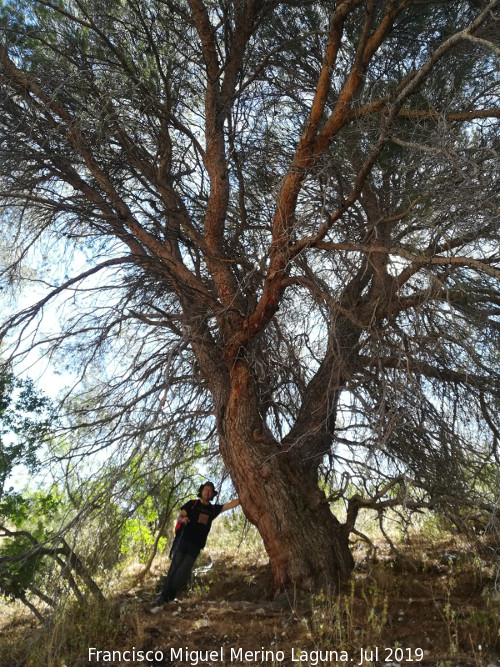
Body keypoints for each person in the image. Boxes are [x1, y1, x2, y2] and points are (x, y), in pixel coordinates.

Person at [155, 481, 240, 605]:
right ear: (201, 491)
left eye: (210, 490)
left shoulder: (212, 509)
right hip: (183, 540)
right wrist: (183, 519)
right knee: (175, 566)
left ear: (212, 494)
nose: (207, 492)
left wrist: (243, 497)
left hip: (196, 545)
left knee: (184, 570)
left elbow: (229, 505)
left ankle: (171, 596)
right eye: (206, 489)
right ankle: (163, 596)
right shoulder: (192, 504)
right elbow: (180, 516)